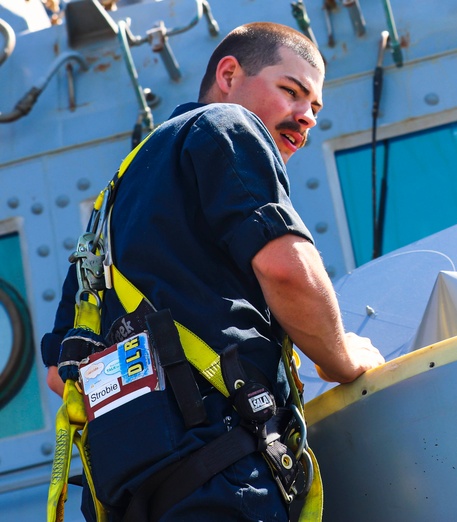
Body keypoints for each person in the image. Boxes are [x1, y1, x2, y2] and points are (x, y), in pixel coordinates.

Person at [39, 22, 383, 521]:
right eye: (292, 91)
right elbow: (284, 268)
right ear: (228, 74)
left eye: (315, 108)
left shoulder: (109, 206)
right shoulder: (227, 125)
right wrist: (342, 358)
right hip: (226, 483)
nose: (305, 117)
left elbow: (60, 374)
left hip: (125, 501)